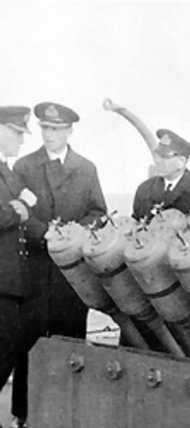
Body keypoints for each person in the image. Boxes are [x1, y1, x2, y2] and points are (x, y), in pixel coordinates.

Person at [11, 102, 107, 427]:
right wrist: (46, 234)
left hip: (72, 278)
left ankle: (69, 414)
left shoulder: (87, 168)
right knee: (29, 345)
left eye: (56, 129)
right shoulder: (24, 166)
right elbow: (18, 215)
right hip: (35, 273)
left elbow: (98, 212)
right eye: (45, 129)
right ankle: (24, 414)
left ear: (69, 131)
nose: (50, 135)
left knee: (72, 343)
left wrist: (75, 234)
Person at [0, 106, 38, 428]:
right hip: (0, 282)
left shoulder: (7, 171)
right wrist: (21, 207)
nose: (21, 142)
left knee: (9, 349)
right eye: (16, 133)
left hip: (11, 282)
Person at [132, 128, 190, 220]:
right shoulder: (144, 190)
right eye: (158, 155)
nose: (157, 161)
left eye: (164, 157)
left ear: (181, 162)